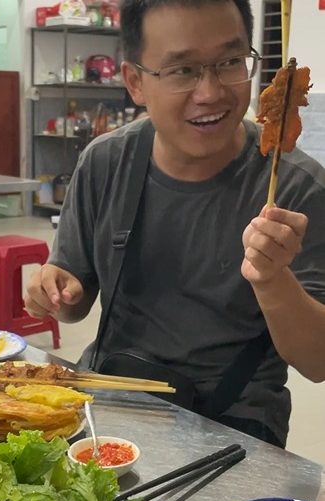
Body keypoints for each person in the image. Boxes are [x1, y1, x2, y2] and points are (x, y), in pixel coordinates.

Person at [24, 0, 325, 448]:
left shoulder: (296, 188)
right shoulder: (106, 162)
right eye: (183, 70)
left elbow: (317, 361)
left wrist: (272, 278)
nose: (211, 92)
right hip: (111, 400)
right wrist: (53, 291)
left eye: (229, 62)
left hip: (233, 427)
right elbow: (74, 301)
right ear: (135, 82)